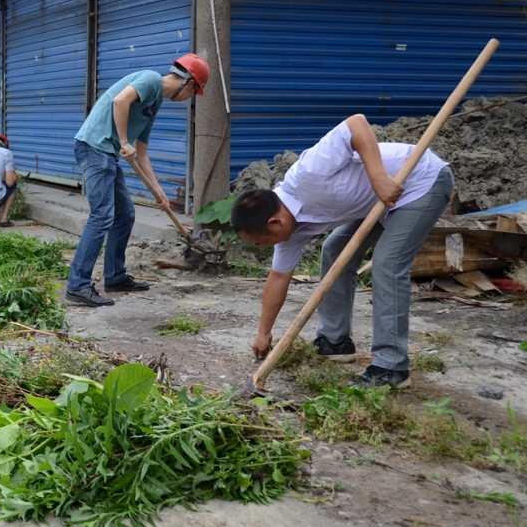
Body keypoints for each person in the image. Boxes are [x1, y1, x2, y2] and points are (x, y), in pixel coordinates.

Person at [231, 114, 453, 388]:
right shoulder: (288, 232)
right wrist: (263, 333)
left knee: (387, 263)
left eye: (261, 242)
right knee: (335, 248)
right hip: (380, 202)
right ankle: (335, 343)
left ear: (274, 223)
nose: (266, 247)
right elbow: (278, 278)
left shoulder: (308, 174)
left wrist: (379, 178)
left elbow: (356, 124)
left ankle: (391, 367)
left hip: (421, 180)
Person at [65, 53, 210, 307]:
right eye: (194, 93)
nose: (190, 99)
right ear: (189, 84)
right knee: (102, 216)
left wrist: (159, 193)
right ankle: (78, 285)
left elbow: (141, 154)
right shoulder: (151, 79)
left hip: (107, 153)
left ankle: (115, 277)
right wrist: (122, 142)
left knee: (125, 215)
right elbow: (120, 101)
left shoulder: (154, 104)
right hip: (95, 147)